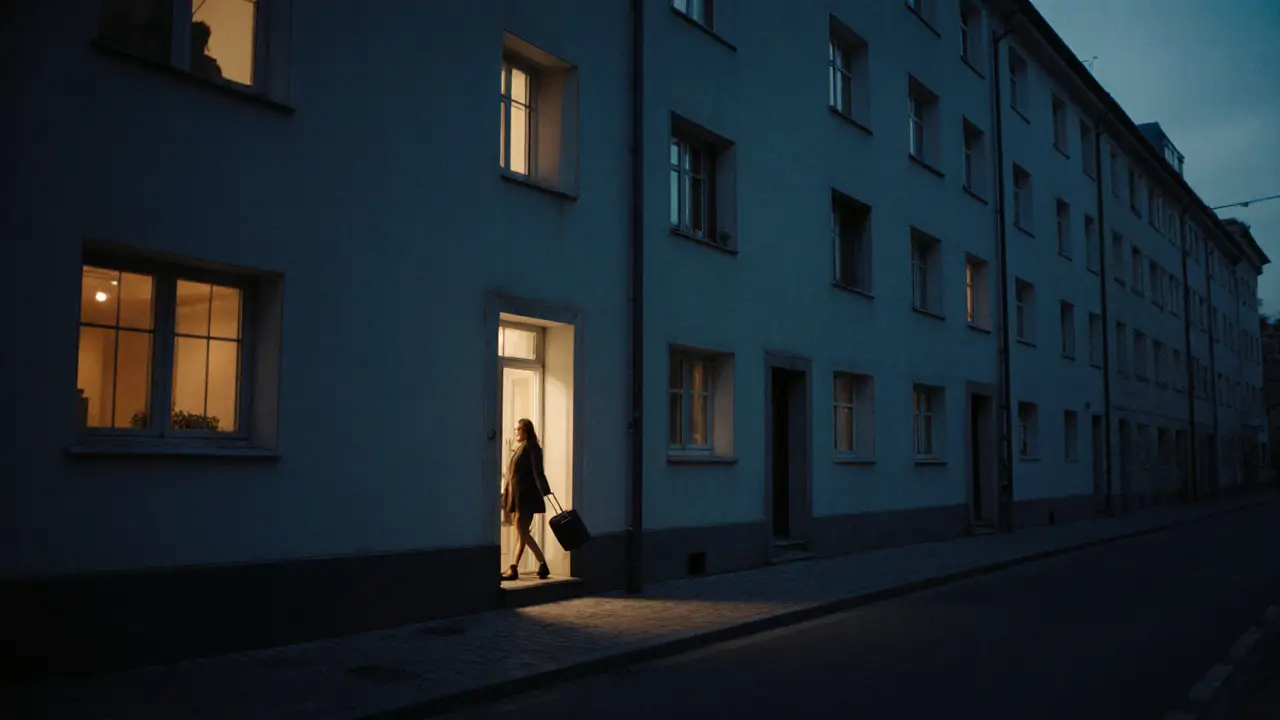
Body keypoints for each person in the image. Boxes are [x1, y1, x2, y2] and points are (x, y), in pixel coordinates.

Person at [501, 418, 552, 581]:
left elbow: (538, 471)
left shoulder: (532, 448)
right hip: (518, 496)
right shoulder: (521, 447)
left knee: (521, 530)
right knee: (521, 532)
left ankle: (532, 564)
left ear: (526, 431)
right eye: (516, 429)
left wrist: (545, 490)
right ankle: (520, 566)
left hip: (526, 497)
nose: (516, 432)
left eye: (518, 430)